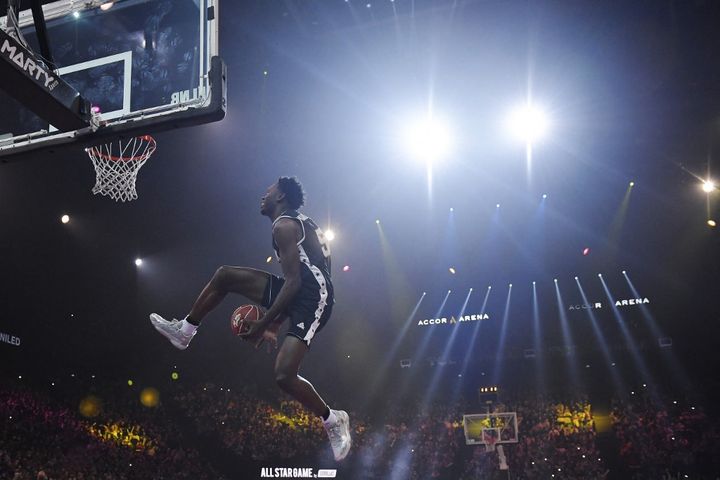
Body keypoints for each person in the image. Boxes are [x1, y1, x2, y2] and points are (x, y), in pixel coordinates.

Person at [149, 176, 352, 461]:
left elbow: (295, 282)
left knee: (283, 375)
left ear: (280, 196)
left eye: (268, 191)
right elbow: (300, 275)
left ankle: (333, 420)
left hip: (314, 298)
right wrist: (275, 321)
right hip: (302, 288)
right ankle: (185, 330)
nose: (263, 195)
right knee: (224, 276)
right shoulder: (298, 222)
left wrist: (268, 322)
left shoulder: (284, 226)